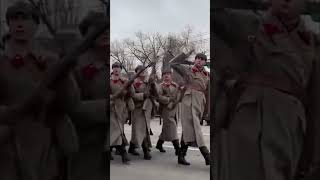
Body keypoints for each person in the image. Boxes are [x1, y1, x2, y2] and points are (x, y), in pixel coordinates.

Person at [213, 0, 320, 179]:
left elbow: (316, 106)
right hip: (248, 120)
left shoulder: (312, 44)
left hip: (289, 130)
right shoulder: (247, 24)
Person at [0, 1, 80, 179]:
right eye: (14, 18)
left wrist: (64, 76)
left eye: (25, 18)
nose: (19, 24)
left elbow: (72, 103)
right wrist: (12, 112)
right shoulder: (2, 64)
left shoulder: (51, 61)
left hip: (46, 141)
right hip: (10, 142)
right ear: (8, 24)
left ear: (36, 24)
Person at [70, 11, 108, 180]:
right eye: (98, 29)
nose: (105, 32)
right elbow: (69, 105)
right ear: (86, 34)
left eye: (107, 28)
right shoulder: (74, 65)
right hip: (86, 141)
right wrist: (105, 107)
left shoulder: (114, 65)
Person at [179, 53, 211, 165]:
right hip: (188, 100)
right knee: (195, 128)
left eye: (202, 59)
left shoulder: (207, 75)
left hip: (199, 102)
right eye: (197, 58)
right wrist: (184, 55)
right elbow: (173, 64)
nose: (199, 61)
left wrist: (208, 111)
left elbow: (208, 93)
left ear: (205, 62)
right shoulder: (188, 70)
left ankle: (181, 156)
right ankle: (207, 155)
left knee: (188, 129)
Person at [156, 67, 190, 165]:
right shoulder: (160, 86)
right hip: (166, 110)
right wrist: (168, 100)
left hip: (175, 110)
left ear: (171, 76)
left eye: (168, 74)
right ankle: (179, 152)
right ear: (162, 76)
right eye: (164, 74)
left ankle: (159, 144)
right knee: (172, 128)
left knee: (167, 128)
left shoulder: (175, 85)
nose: (166, 76)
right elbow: (158, 97)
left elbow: (179, 96)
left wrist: (181, 91)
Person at [110, 62, 133, 164]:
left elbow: (131, 94)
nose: (116, 69)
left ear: (120, 69)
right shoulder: (109, 81)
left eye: (118, 67)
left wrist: (128, 87)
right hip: (111, 108)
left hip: (122, 109)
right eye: (114, 67)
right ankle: (124, 155)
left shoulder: (125, 81)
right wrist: (112, 97)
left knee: (117, 131)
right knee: (117, 131)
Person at [128, 65, 153, 160]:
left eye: (144, 71)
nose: (143, 73)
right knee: (139, 130)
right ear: (136, 72)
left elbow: (155, 93)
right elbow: (132, 95)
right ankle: (145, 150)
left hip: (147, 109)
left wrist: (152, 84)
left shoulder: (148, 82)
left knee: (144, 129)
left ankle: (131, 147)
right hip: (137, 108)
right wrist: (143, 95)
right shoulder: (133, 82)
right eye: (140, 71)